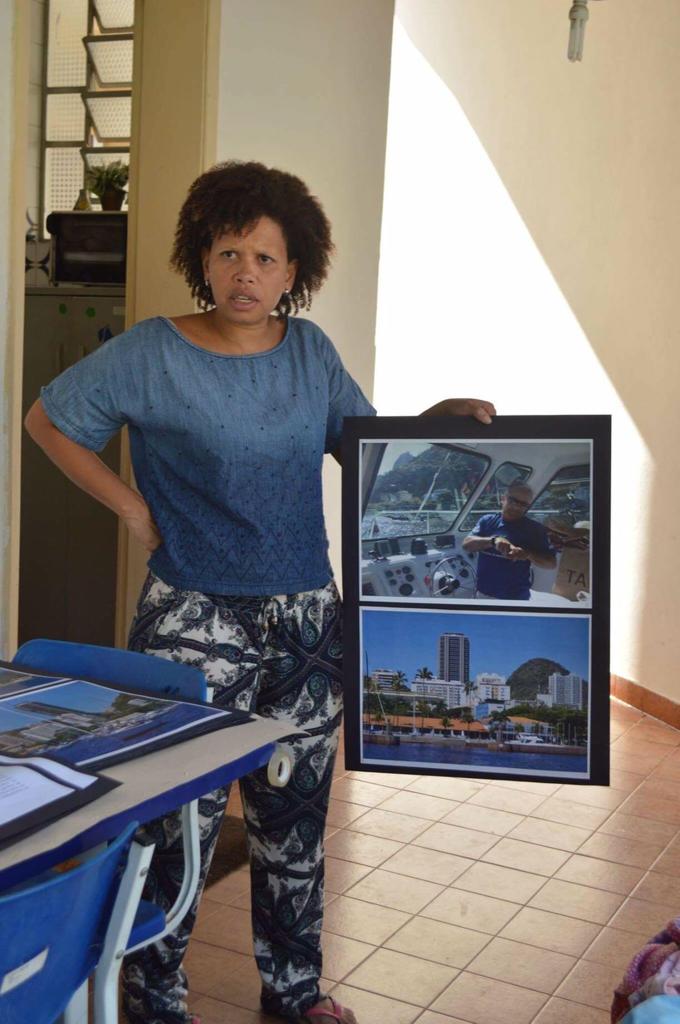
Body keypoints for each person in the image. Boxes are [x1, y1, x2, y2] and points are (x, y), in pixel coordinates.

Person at [24, 160, 496, 1024]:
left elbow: (367, 451)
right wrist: (131, 507)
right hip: (192, 620)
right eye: (229, 253)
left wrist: (439, 420)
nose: (246, 274)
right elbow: (48, 420)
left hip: (308, 619)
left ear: (294, 270)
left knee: (297, 818)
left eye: (266, 258)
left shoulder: (310, 354)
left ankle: (295, 990)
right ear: (202, 258)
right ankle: (153, 996)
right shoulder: (152, 353)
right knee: (179, 827)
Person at [462, 481, 555, 600]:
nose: (516, 507)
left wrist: (527, 554)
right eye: (513, 501)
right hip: (483, 594)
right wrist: (493, 541)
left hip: (516, 598)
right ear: (503, 499)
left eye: (523, 504)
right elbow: (466, 545)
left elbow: (551, 563)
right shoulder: (487, 521)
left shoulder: (536, 530)